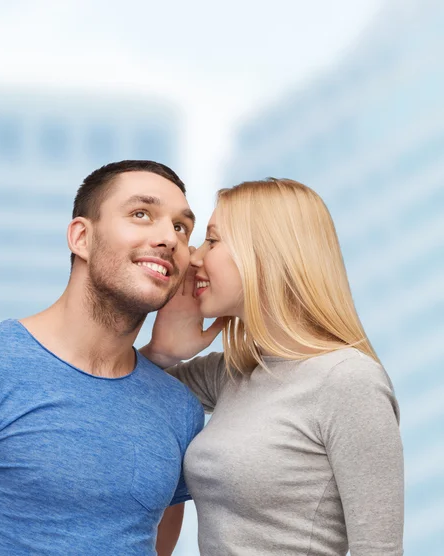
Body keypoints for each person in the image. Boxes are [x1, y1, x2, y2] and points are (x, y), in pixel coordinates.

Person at [0, 160, 205, 556]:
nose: (169, 237)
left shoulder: (179, 409)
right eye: (141, 214)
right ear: (81, 237)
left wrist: (162, 356)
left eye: (181, 227)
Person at [141, 178, 404, 556]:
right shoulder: (232, 373)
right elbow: (119, 396)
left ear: (264, 253)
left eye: (213, 240)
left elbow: (379, 550)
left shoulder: (348, 380)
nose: (194, 257)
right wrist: (162, 353)